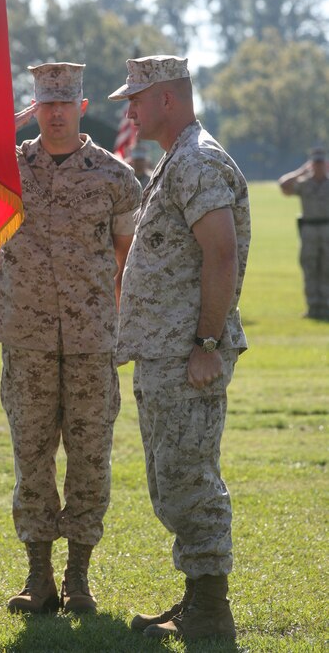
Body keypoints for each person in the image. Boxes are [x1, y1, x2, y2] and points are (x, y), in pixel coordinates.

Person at [0, 62, 142, 615]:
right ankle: (39, 578)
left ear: (81, 106)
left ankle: (78, 577)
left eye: (63, 103)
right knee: (31, 457)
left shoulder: (115, 176)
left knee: (90, 458)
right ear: (34, 107)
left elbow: (126, 258)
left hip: (91, 341)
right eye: (44, 104)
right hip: (24, 337)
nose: (54, 113)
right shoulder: (4, 170)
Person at [108, 55, 250, 641]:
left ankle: (210, 611)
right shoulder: (178, 159)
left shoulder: (196, 161)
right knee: (172, 477)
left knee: (189, 475)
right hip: (166, 352)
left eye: (136, 100)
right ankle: (197, 599)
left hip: (188, 353)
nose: (131, 111)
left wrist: (207, 343)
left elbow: (220, 253)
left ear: (167, 98)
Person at [278, 147, 329, 320]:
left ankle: (326, 307)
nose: (319, 166)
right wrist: (301, 171)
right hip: (309, 231)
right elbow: (283, 185)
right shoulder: (304, 184)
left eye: (321, 163)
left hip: (327, 229)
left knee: (326, 269)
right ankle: (313, 308)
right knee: (310, 267)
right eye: (315, 163)